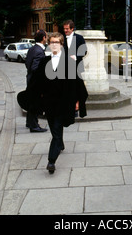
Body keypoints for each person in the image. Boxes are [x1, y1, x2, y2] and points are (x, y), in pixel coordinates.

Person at [34, 32, 88, 174]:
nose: (54, 45)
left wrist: (77, 101)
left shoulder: (69, 62)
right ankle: (61, 143)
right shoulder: (44, 62)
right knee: (54, 129)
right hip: (49, 103)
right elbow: (37, 83)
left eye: (57, 42)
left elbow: (77, 83)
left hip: (63, 102)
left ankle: (51, 161)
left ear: (62, 44)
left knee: (56, 132)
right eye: (51, 42)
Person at [24, 29, 48, 133]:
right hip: (35, 82)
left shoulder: (32, 49)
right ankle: (34, 126)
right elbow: (35, 68)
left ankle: (29, 122)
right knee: (34, 103)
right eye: (46, 36)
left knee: (30, 102)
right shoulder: (39, 51)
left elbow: (27, 64)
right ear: (43, 38)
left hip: (30, 79)